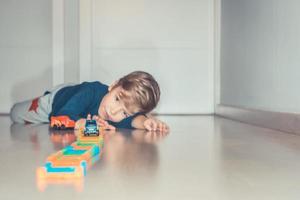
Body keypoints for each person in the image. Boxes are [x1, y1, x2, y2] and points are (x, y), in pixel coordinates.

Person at [10, 71, 169, 132]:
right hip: (56, 102)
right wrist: (82, 123)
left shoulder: (117, 113)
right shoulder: (90, 92)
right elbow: (62, 115)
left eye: (124, 112)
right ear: (113, 85)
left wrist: (145, 122)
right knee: (16, 114)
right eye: (117, 99)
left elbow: (130, 120)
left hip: (77, 95)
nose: (114, 112)